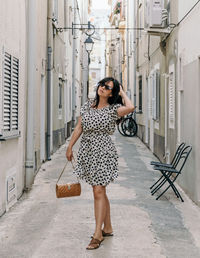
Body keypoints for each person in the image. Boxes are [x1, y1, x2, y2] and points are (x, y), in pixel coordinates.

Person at [66, 77, 135, 250]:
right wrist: (70, 147)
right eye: (102, 85)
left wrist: (122, 92)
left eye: (107, 87)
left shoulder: (114, 109)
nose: (102, 88)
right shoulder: (87, 105)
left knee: (98, 190)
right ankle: (108, 227)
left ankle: (98, 234)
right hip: (88, 152)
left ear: (112, 92)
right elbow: (79, 128)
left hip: (104, 153)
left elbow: (131, 107)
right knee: (99, 190)